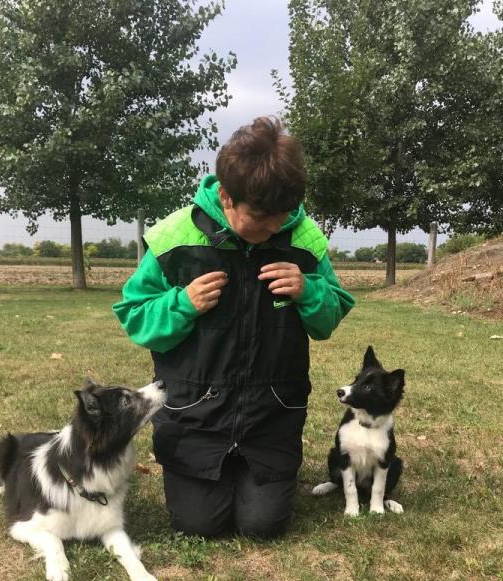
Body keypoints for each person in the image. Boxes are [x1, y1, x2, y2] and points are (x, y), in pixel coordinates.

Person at [113, 116, 355, 539]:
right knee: (198, 524)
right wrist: (182, 304)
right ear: (226, 196)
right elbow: (135, 315)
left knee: (263, 525)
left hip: (271, 414)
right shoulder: (174, 236)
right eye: (260, 217)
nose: (274, 228)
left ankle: (254, 479)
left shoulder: (304, 239)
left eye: (282, 216)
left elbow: (329, 317)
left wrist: (309, 290)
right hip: (195, 416)